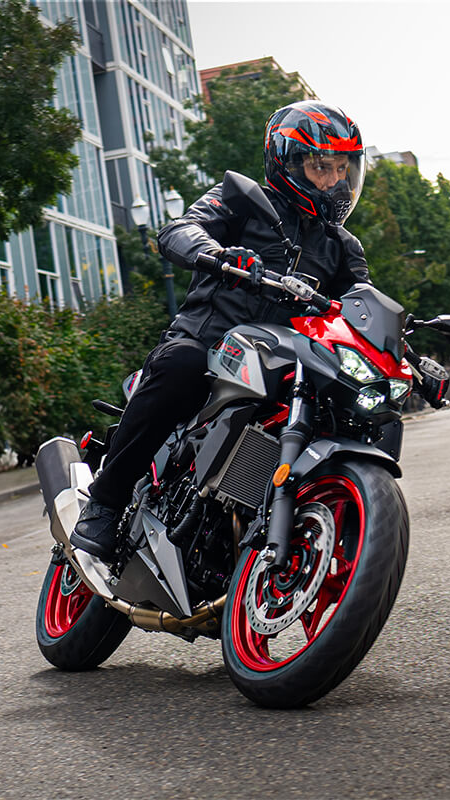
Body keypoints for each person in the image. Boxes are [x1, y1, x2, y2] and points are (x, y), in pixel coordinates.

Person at [70, 101, 371, 562]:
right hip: (211, 345)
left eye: (341, 169)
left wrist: (405, 345)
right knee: (181, 365)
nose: (334, 182)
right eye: (321, 167)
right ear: (286, 161)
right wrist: (217, 254)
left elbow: (363, 305)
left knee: (356, 408)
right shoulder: (242, 200)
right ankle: (105, 503)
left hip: (283, 362)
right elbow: (180, 229)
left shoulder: (342, 246)